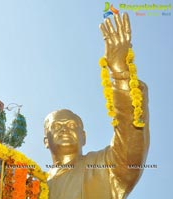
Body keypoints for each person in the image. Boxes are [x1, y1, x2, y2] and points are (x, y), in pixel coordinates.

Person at [43, 13, 149, 199]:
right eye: (56, 126)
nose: (64, 129)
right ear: (46, 140)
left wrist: (120, 74)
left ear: (83, 137)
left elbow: (130, 149)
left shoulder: (101, 165)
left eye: (71, 125)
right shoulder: (34, 186)